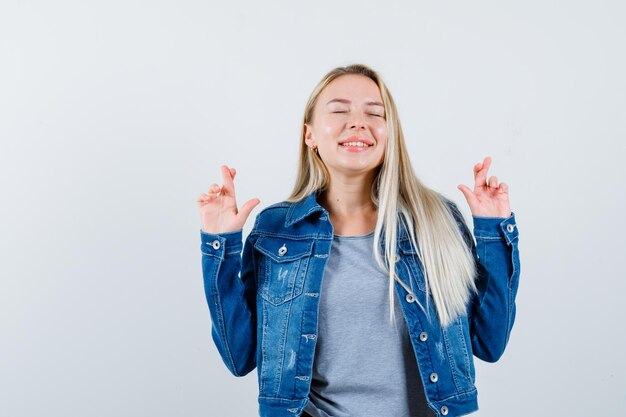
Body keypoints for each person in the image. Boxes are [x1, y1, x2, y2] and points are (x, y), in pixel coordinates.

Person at [197, 64, 521, 417]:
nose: (357, 122)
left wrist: (492, 230)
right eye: (338, 111)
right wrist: (221, 243)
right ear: (310, 135)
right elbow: (239, 356)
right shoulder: (275, 231)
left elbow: (490, 343)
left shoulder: (437, 221)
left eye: (374, 113)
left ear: (389, 132)